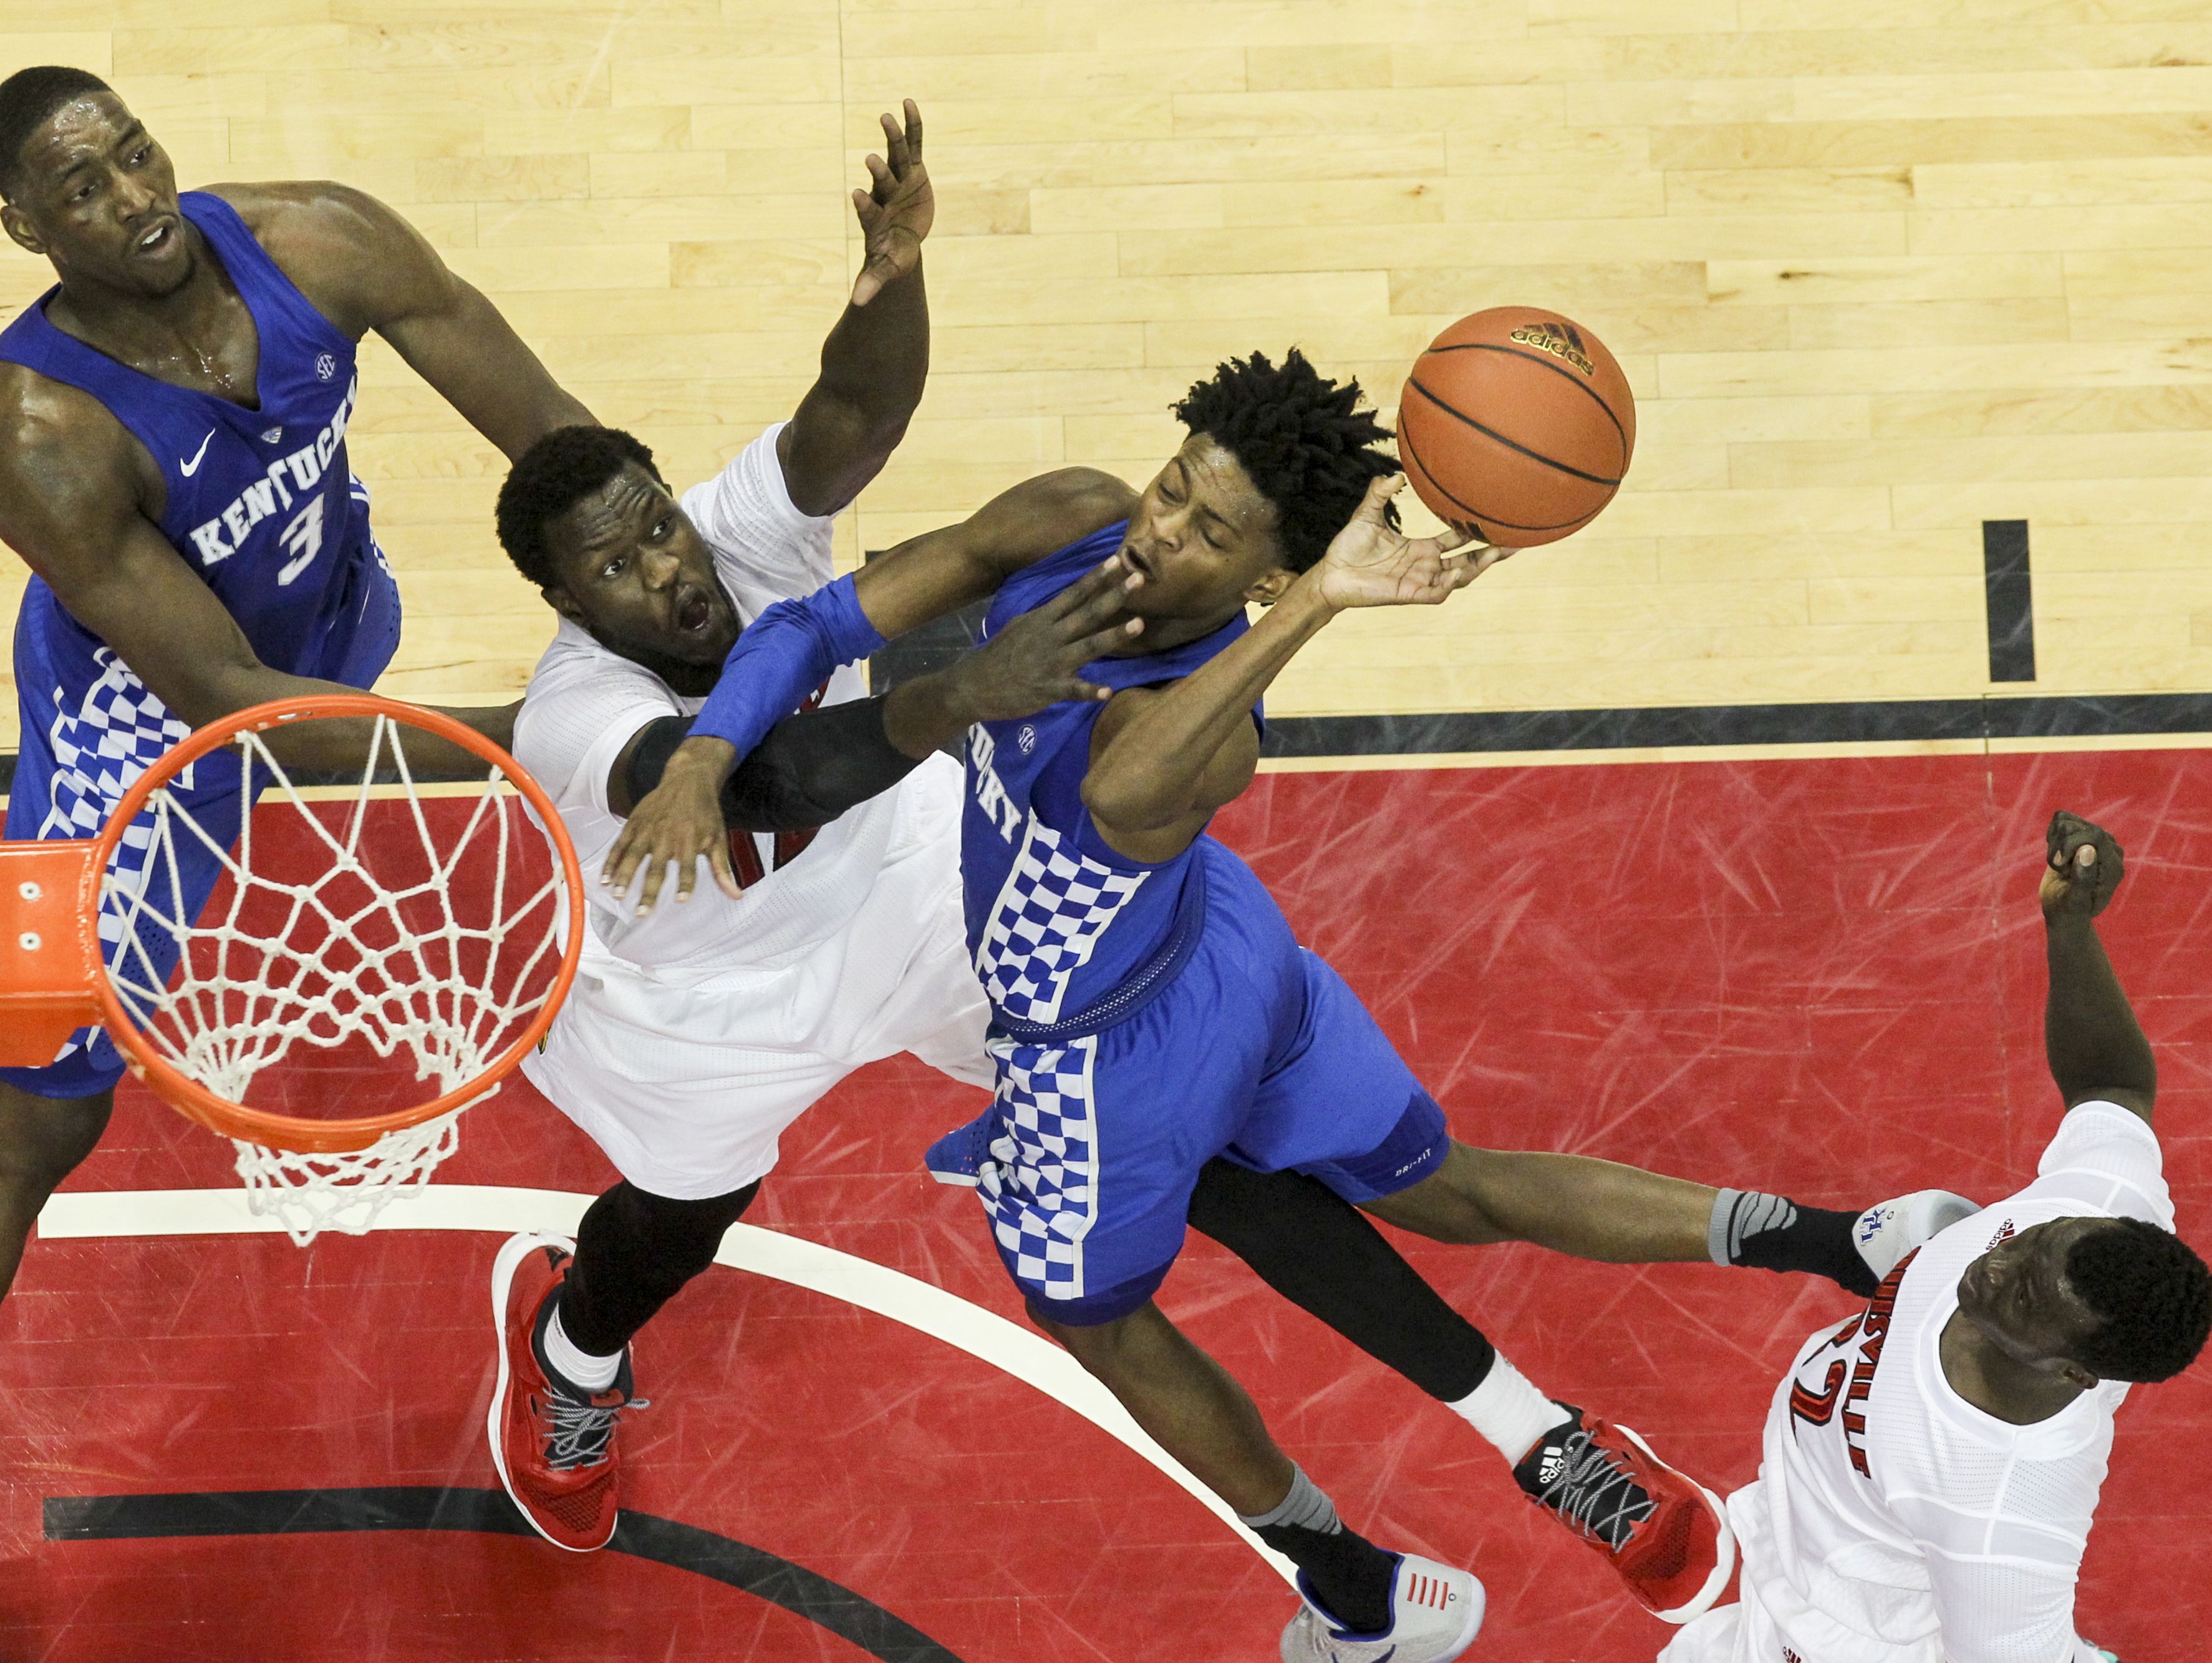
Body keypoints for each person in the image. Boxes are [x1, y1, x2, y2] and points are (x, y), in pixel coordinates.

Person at [606, 344, 1977, 1661]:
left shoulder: (1191, 738)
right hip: (1229, 960)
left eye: (1211, 534)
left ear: (1267, 570)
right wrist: (706, 755)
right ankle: (1852, 1239)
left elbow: (1116, 794)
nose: (1158, 531)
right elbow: (813, 619)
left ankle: (1355, 1582)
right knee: (1443, 1185)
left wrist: (1314, 605)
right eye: (1172, 486)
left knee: (1093, 1315)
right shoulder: (1076, 518)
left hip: (1101, 1064)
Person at [0, 66, 603, 1301]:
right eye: (82, 187)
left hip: (329, 616)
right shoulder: (39, 436)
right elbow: (243, 714)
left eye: (134, 153)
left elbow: (556, 436)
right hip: (149, 728)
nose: (136, 198)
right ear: (29, 230)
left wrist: (682, 618)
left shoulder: (321, 240)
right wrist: (567, 736)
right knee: (39, 1102)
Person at [1657, 811, 2208, 1663]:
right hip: (1796, 1541)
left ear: (2074, 1371)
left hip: (1847, 1639)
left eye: (2025, 1291)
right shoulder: (2105, 1205)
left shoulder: (2000, 1519)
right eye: (2035, 1237)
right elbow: (2109, 1082)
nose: (1999, 1258)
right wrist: (2068, 924)